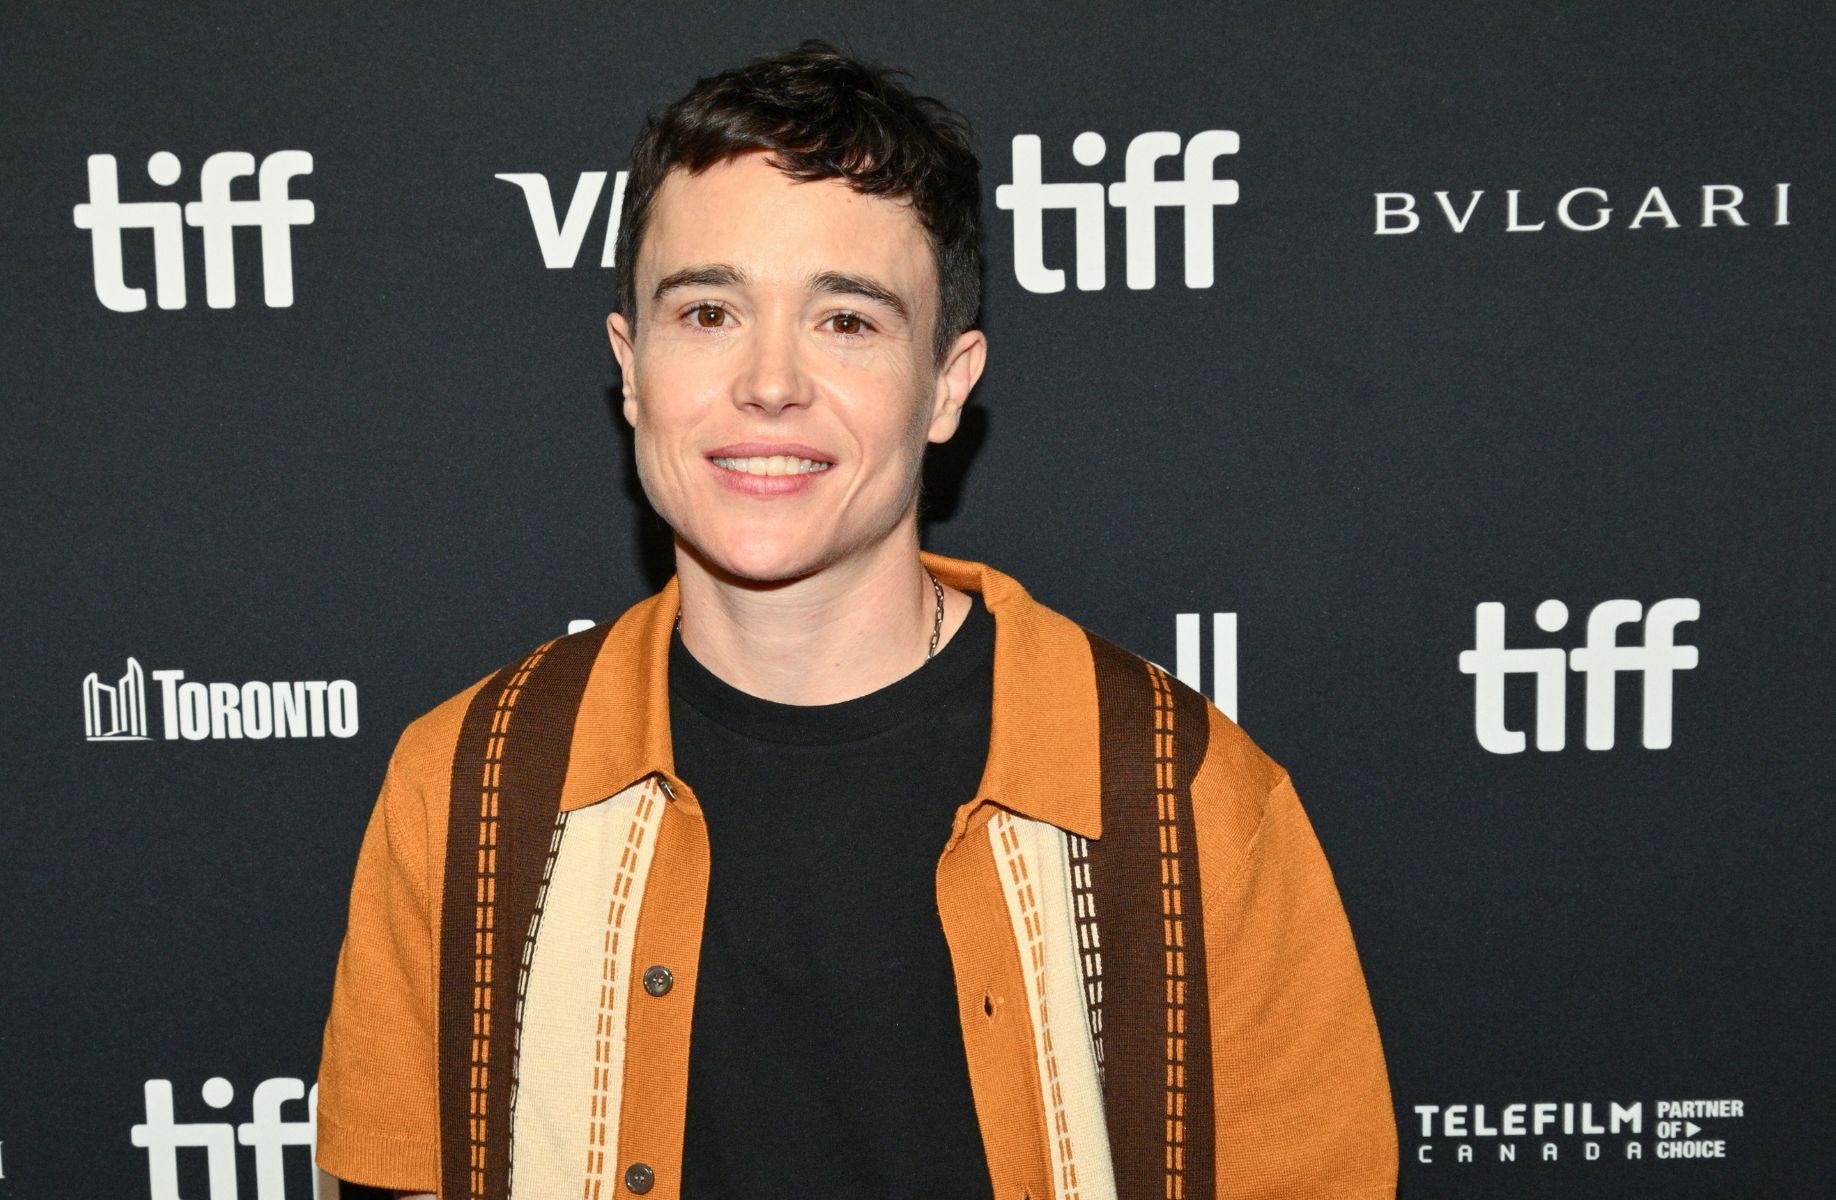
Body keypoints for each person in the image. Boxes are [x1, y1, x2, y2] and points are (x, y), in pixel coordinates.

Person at [314, 39, 1396, 1200]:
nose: (769, 381)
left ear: (946, 382)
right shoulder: (468, 790)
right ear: (631, 366)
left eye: (846, 321)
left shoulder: (1182, 800)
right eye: (709, 310)